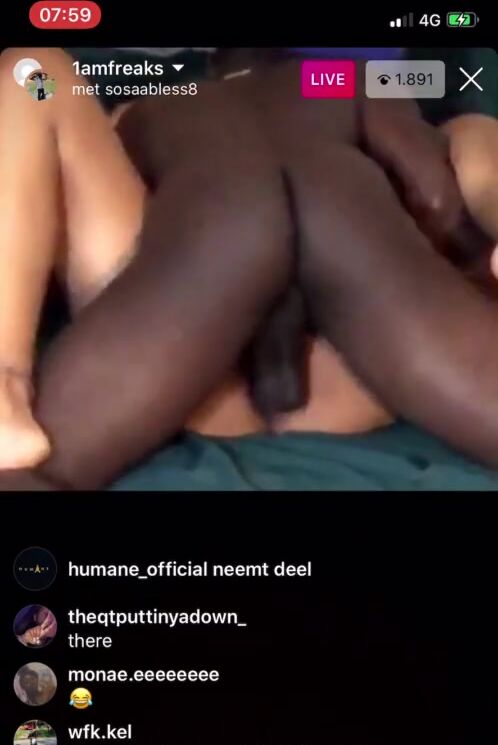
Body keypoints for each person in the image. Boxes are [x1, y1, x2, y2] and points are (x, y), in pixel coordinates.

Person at [1, 47, 498, 488]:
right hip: (351, 367)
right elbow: (439, 193)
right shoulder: (353, 85)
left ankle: (6, 376)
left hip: (174, 358)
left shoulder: (150, 104)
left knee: (34, 72)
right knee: (454, 150)